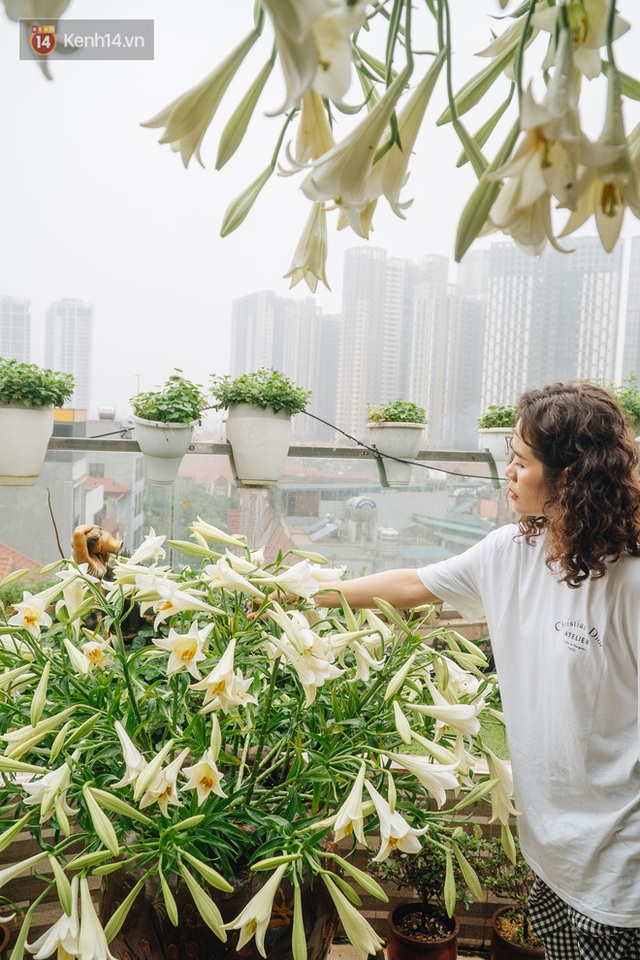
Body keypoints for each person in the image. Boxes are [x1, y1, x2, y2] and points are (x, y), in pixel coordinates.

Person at [314, 381, 640, 960]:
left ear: (570, 475)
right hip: (553, 853)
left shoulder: (629, 581)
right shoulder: (509, 552)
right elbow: (412, 584)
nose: (507, 474)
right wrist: (293, 595)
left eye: (520, 462)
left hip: (622, 875)